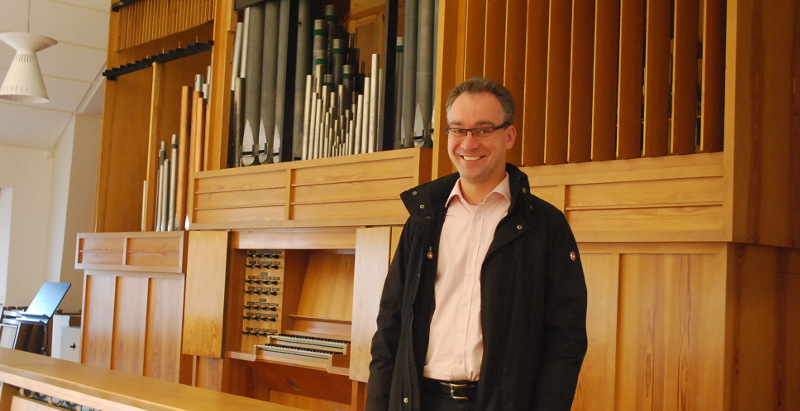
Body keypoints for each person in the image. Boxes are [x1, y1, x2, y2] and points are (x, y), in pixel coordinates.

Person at [366, 77, 587, 411]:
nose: (468, 143)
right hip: (421, 401)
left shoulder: (546, 225)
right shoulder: (422, 221)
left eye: (483, 130)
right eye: (458, 130)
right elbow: (390, 326)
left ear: (508, 135)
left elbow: (565, 339)